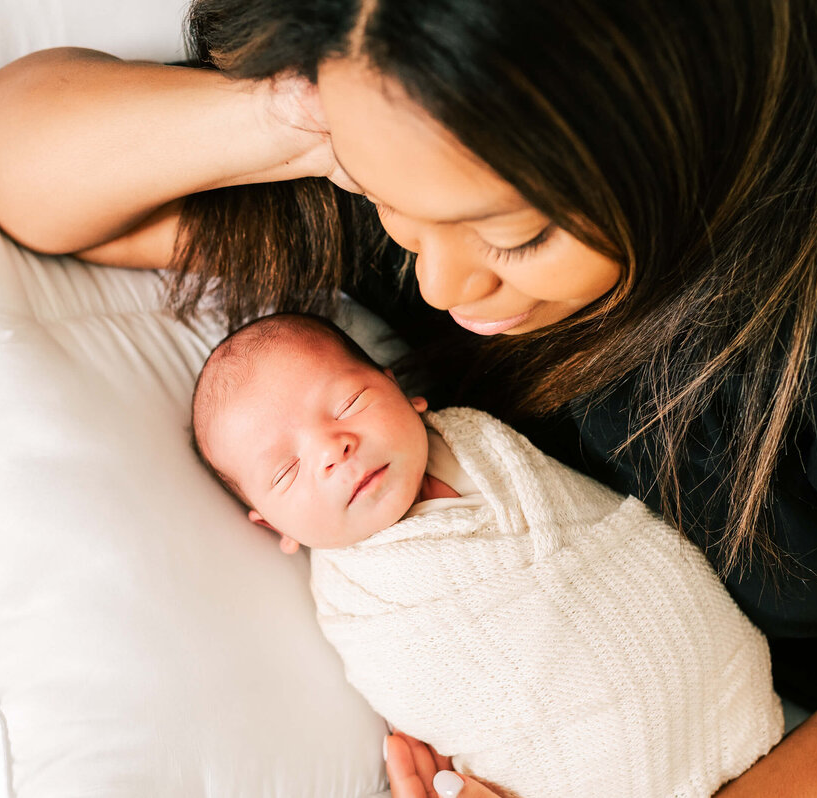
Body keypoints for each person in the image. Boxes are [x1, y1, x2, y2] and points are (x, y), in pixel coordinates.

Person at [0, 1, 817, 796]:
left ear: (679, 131)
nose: (441, 285)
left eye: (513, 237)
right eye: (387, 206)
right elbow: (8, 165)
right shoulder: (422, 149)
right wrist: (333, 108)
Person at [189, 310, 783, 798]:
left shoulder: (480, 439)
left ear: (402, 391)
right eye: (288, 470)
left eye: (347, 403)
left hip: (719, 680)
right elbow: (424, 689)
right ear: (274, 526)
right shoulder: (362, 603)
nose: (332, 449)